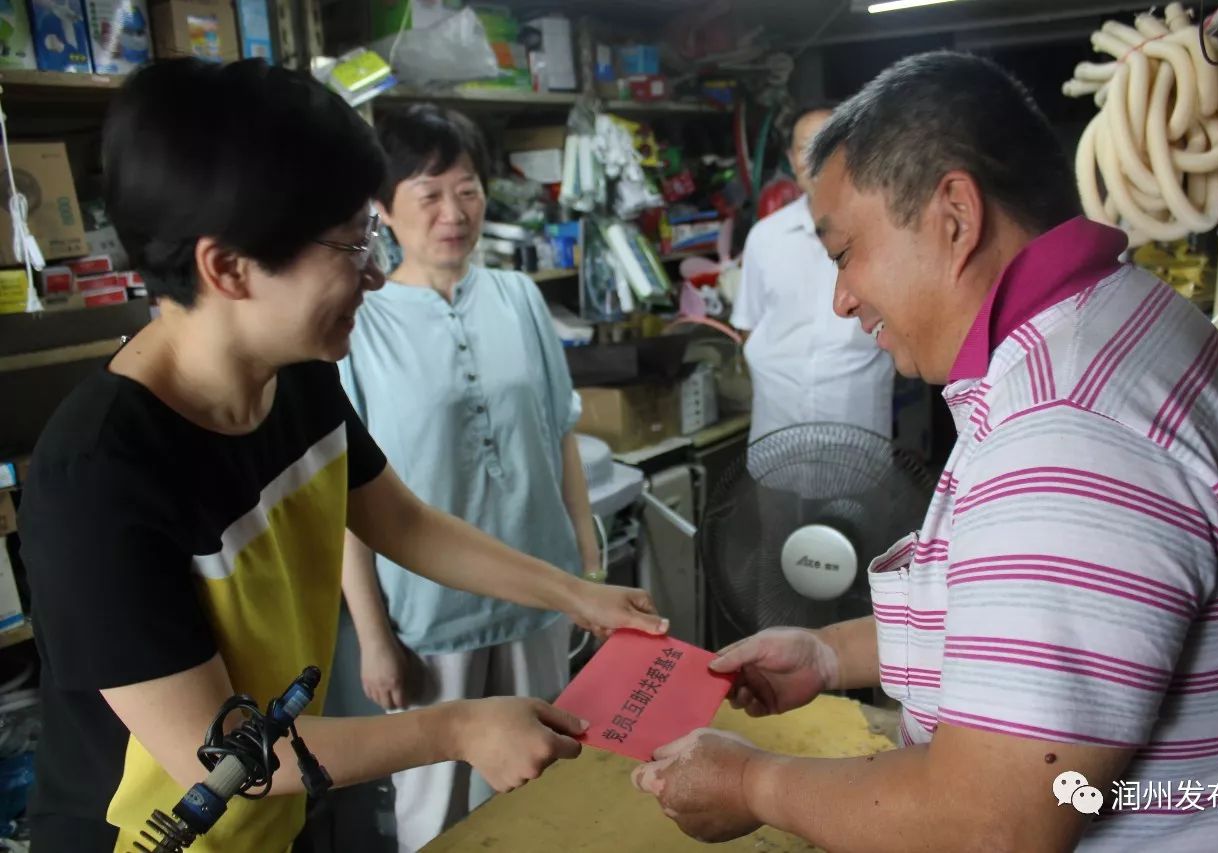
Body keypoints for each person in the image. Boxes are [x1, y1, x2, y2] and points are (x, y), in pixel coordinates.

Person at [633, 50, 1218, 852]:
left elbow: (989, 822)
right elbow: (1025, 620)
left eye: (844, 253)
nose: (840, 298)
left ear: (955, 217)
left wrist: (750, 782)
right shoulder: (1105, 323)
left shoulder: (1063, 430)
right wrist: (828, 654)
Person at [18, 59, 665, 853]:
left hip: (274, 820)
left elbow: (400, 518)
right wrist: (457, 726)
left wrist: (574, 592)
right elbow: (211, 754)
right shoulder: (97, 479)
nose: (377, 270)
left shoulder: (295, 378)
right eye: (352, 242)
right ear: (226, 267)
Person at [334, 104, 600, 850]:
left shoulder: (518, 298)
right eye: (429, 194)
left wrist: (585, 560)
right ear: (382, 208)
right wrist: (374, 635)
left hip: (541, 589)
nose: (455, 213)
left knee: (548, 778)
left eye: (469, 189)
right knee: (437, 804)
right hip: (429, 614)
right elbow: (348, 502)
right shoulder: (362, 321)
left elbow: (562, 432)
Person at [731, 105, 894, 443]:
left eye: (828, 144)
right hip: (778, 432)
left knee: (859, 496)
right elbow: (748, 327)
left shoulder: (885, 233)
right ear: (791, 160)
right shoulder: (765, 237)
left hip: (856, 433)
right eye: (806, 148)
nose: (816, 158)